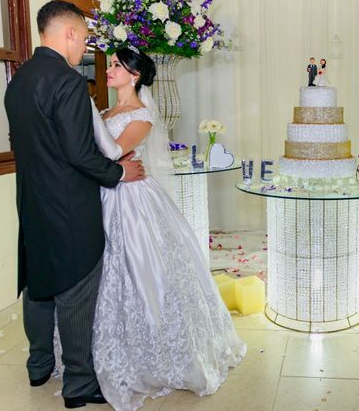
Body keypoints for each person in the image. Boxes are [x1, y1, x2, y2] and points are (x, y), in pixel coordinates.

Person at [4, 0, 145, 409]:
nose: (85, 46)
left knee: (38, 287)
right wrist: (120, 174)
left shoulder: (20, 80)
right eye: (84, 38)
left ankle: (38, 365)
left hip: (33, 202)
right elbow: (80, 154)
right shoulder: (67, 82)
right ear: (68, 33)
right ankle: (79, 384)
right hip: (69, 206)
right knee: (76, 290)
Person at [90, 46, 246, 411]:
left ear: (135, 75)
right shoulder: (106, 111)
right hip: (104, 194)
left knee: (142, 269)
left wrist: (88, 115)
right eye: (110, 64)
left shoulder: (141, 116)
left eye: (117, 65)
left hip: (132, 200)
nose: (109, 70)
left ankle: (156, 351)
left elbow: (112, 153)